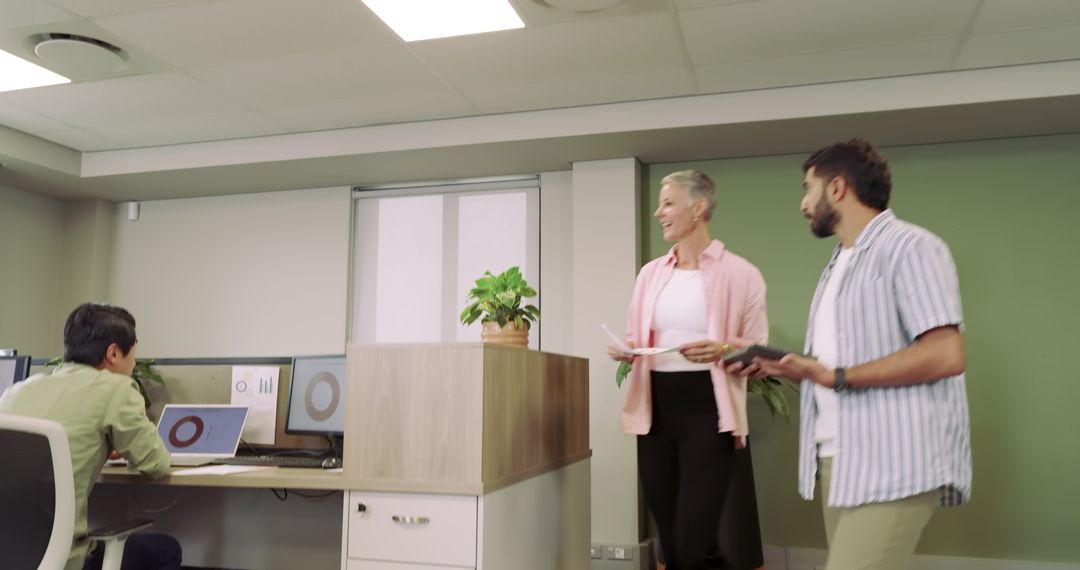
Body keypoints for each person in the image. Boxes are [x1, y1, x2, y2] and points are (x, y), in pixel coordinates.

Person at [729, 138, 972, 570]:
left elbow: (945, 354)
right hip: (840, 458)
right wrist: (791, 368)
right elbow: (833, 369)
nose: (804, 204)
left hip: (895, 460)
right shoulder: (839, 265)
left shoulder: (910, 246)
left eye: (808, 189)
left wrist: (835, 375)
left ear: (837, 188)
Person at [608, 169, 769, 570]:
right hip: (656, 408)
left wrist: (724, 348)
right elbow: (634, 334)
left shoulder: (741, 273)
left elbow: (759, 352)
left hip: (708, 409)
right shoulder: (650, 273)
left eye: (667, 203)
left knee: (695, 531)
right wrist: (629, 350)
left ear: (698, 209)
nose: (658, 213)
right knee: (670, 529)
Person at [0, 303, 182, 570]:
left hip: (9, 556)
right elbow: (156, 465)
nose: (132, 364)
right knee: (166, 550)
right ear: (114, 353)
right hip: (64, 560)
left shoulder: (17, 390)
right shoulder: (116, 388)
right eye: (132, 355)